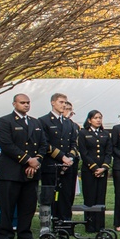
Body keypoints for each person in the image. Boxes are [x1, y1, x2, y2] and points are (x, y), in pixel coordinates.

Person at [0, 93, 47, 239]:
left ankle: (25, 234)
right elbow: (6, 144)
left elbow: (43, 144)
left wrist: (36, 161)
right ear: (14, 104)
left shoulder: (35, 122)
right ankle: (5, 236)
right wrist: (27, 160)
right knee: (8, 205)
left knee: (28, 205)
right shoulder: (5, 121)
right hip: (11, 171)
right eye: (22, 102)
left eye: (28, 102)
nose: (26, 105)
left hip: (31, 172)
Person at [39, 93, 79, 221]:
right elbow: (45, 144)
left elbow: (74, 143)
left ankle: (66, 222)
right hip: (51, 165)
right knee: (51, 196)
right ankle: (52, 222)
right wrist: (62, 157)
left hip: (68, 166)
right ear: (53, 102)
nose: (64, 105)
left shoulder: (69, 123)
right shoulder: (43, 121)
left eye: (65, 103)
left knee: (67, 195)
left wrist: (70, 158)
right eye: (61, 102)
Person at [78, 110, 112, 233]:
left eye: (100, 118)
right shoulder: (83, 133)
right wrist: (94, 167)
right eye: (95, 118)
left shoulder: (105, 134)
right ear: (89, 120)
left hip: (102, 171)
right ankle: (90, 225)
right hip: (89, 171)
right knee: (90, 198)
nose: (98, 120)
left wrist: (104, 167)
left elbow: (108, 152)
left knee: (100, 198)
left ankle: (100, 225)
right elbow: (84, 152)